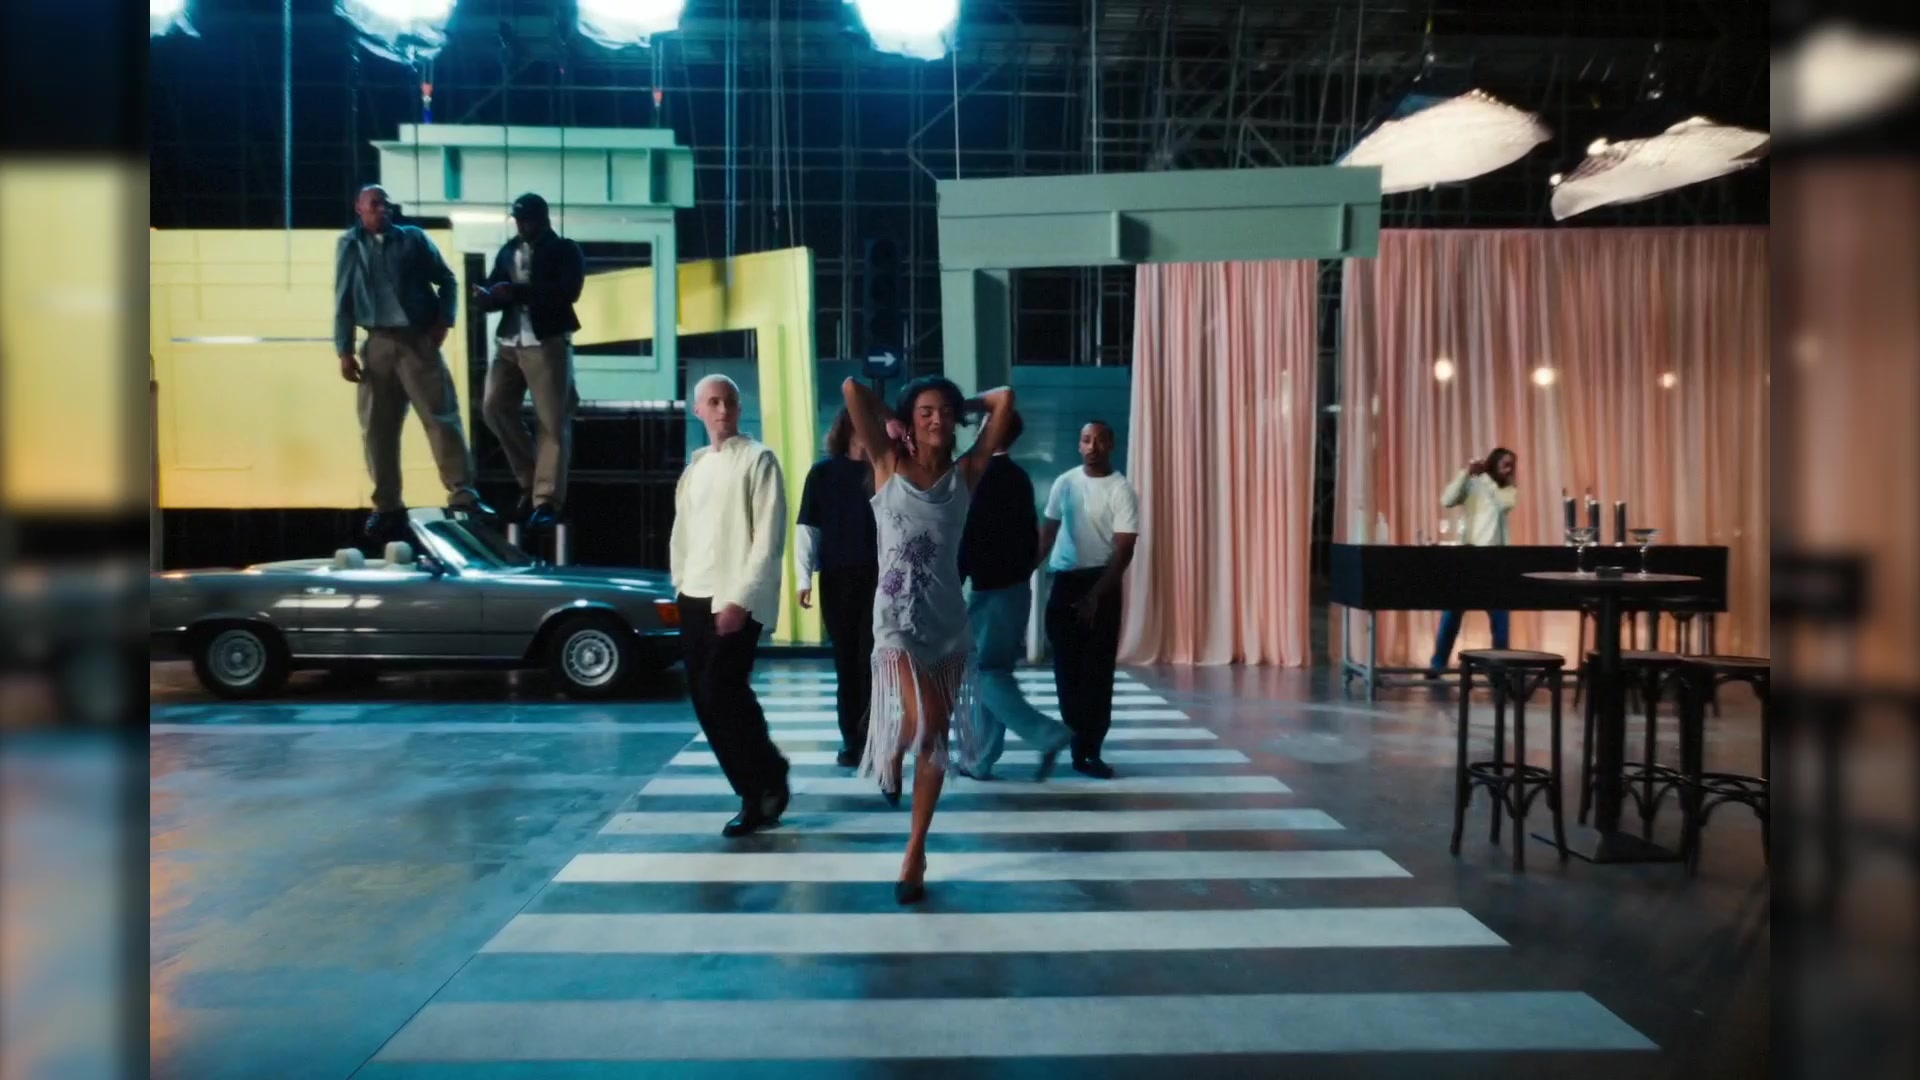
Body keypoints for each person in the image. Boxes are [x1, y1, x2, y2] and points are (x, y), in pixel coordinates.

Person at [841, 373, 1016, 905]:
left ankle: (915, 852)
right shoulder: (887, 464)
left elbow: (1004, 400)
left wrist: (963, 403)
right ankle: (893, 738)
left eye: (945, 411)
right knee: (928, 722)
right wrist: (892, 417)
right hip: (895, 623)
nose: (937, 418)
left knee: (933, 737)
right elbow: (851, 389)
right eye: (926, 412)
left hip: (948, 626)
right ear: (911, 422)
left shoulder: (968, 472)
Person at [334, 184, 495, 538]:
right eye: (375, 204)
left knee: (441, 417)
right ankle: (387, 505)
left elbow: (448, 280)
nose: (383, 209)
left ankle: (463, 495)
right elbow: (343, 298)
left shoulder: (413, 239)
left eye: (386, 204)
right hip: (377, 341)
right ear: (359, 208)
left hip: (417, 339)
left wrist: (444, 321)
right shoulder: (350, 244)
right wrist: (344, 350)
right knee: (377, 429)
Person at [669, 374, 791, 838]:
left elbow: (768, 538)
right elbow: (683, 533)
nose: (723, 410)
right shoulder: (696, 467)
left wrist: (741, 599)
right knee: (706, 699)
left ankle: (761, 787)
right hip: (693, 595)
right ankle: (761, 779)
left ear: (739, 409)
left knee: (724, 690)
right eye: (714, 402)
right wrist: (680, 584)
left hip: (734, 597)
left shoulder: (758, 459)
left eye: (731, 402)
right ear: (698, 409)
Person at [957, 409, 1072, 781]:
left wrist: (954, 580)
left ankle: (1047, 734)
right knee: (993, 671)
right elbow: (1029, 534)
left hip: (990, 589)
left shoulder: (978, 475)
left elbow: (969, 536)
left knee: (982, 673)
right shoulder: (1018, 477)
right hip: (1016, 587)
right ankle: (980, 759)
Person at [473, 193, 586, 530]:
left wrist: (516, 292)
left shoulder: (564, 249)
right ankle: (532, 479)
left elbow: (568, 292)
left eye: (527, 220)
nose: (522, 225)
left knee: (552, 421)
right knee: (493, 408)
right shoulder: (509, 249)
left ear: (543, 219)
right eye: (518, 220)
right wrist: (487, 297)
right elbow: (496, 285)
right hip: (509, 341)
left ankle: (546, 499)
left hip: (546, 342)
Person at [1038, 420, 1140, 779]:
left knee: (1097, 672)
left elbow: (1124, 551)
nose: (1092, 446)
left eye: (1099, 440)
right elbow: (1047, 534)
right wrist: (1022, 576)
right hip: (1065, 582)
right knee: (1066, 670)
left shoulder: (1121, 490)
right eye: (1086, 440)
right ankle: (1076, 740)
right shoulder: (1064, 482)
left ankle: (1090, 750)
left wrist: (1096, 595)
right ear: (1079, 445)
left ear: (1111, 445)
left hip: (1102, 584)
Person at [796, 408, 881, 768]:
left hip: (880, 577)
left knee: (872, 661)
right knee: (846, 662)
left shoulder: (884, 471)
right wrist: (803, 578)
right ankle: (853, 740)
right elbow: (808, 527)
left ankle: (873, 738)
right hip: (836, 577)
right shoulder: (823, 473)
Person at [1428, 447, 1519, 674]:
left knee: (1500, 615)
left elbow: (1503, 504)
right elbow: (1447, 500)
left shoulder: (1507, 489)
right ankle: (1438, 664)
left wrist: (1485, 478)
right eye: (1505, 463)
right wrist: (1466, 473)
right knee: (1452, 611)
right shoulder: (1473, 484)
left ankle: (1499, 668)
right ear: (1494, 462)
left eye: (1512, 464)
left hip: (1494, 560)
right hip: (1468, 557)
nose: (1509, 469)